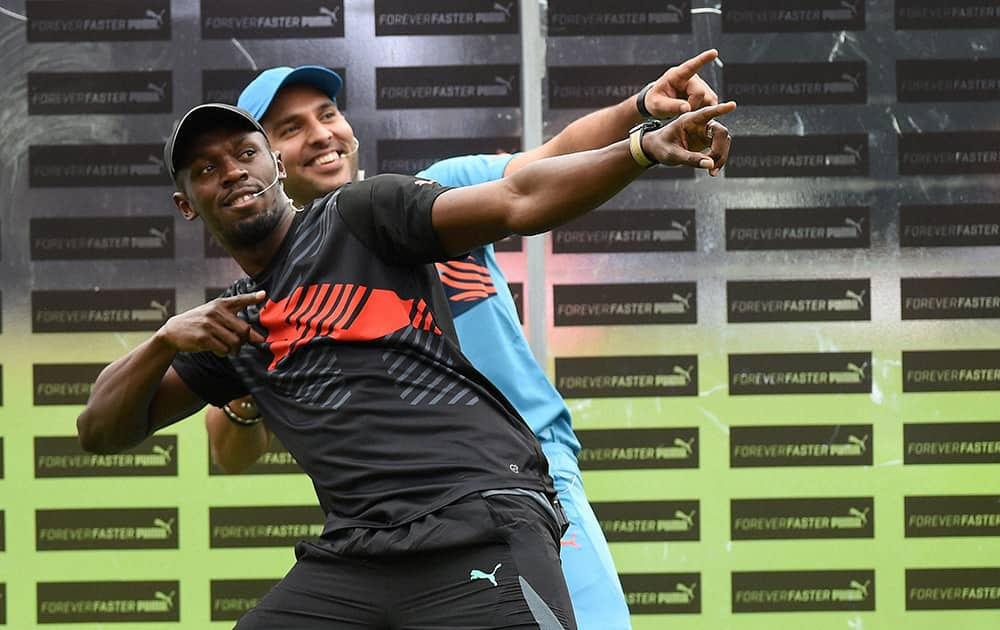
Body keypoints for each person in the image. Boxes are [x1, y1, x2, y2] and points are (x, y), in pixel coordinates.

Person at [77, 98, 734, 628]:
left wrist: (642, 145)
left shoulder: (359, 214)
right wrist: (164, 339)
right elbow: (101, 432)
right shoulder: (230, 324)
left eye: (244, 153)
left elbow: (519, 197)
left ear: (273, 166)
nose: (231, 172)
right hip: (358, 555)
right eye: (205, 168)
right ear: (186, 203)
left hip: (478, 521)